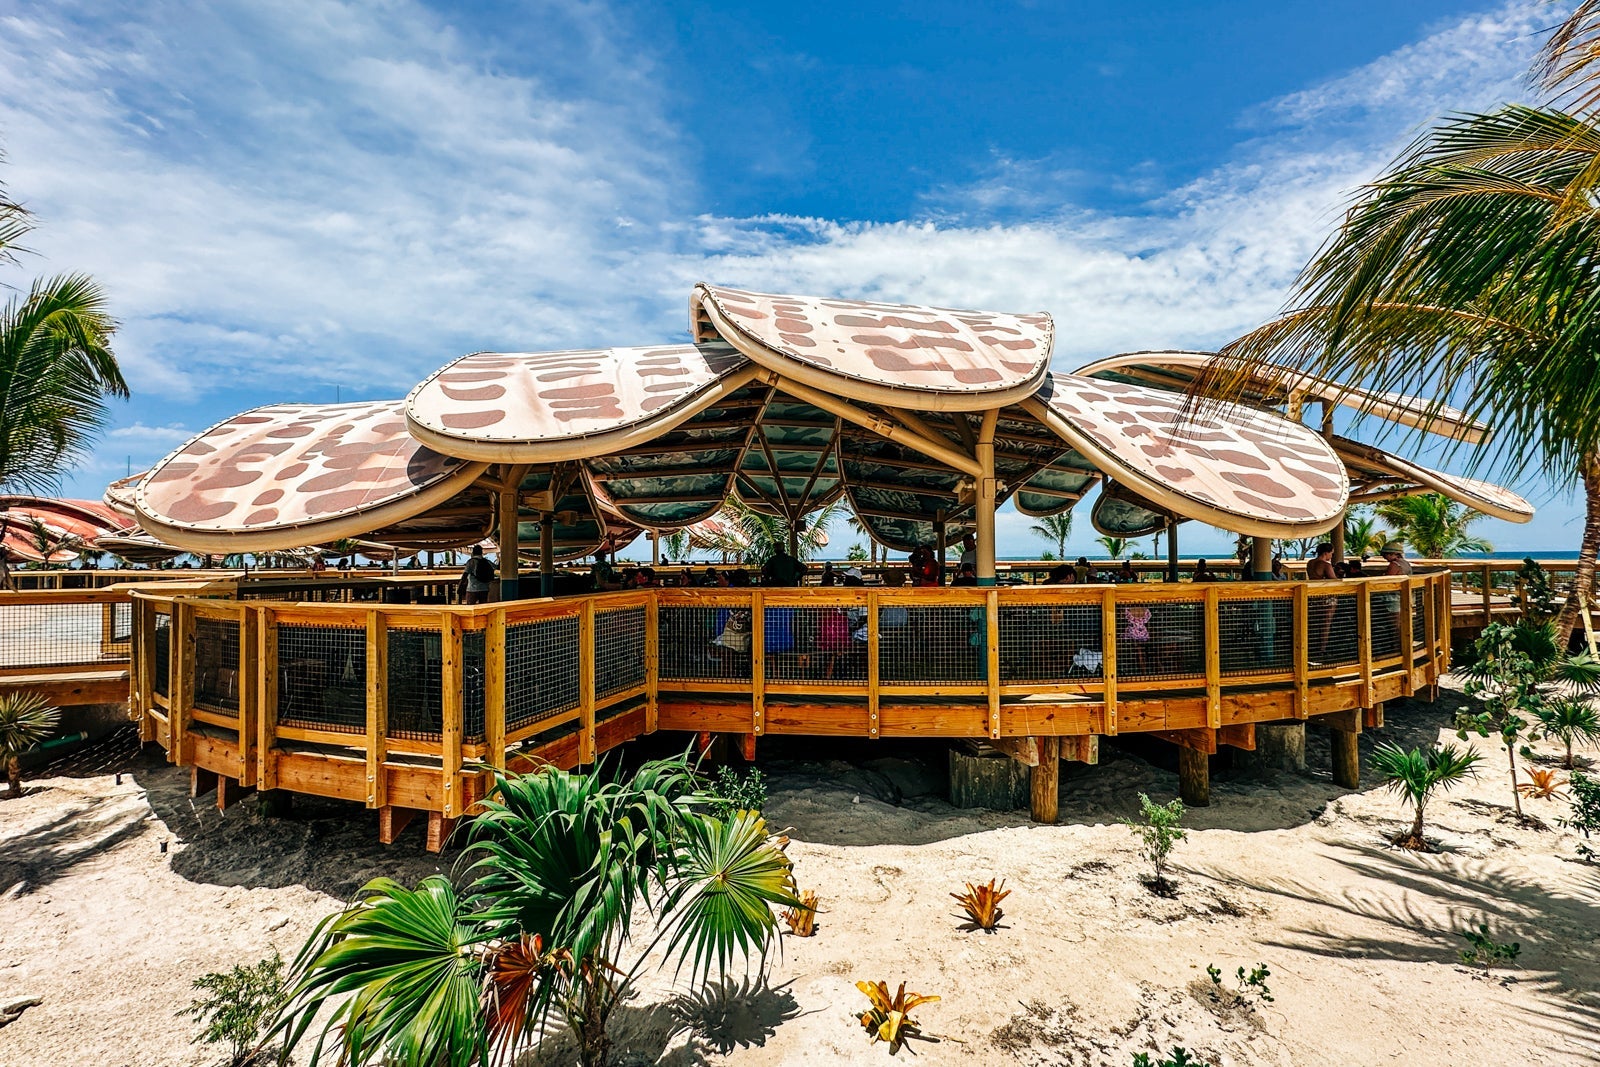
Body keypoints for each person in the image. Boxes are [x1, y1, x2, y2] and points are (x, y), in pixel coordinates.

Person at [1380, 541, 1412, 654]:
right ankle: (1401, 649)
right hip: (1404, 598)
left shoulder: (1394, 565)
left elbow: (1386, 581)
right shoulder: (1406, 564)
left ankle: (1396, 650)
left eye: (1387, 554)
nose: (1385, 557)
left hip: (1393, 600)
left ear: (1394, 554)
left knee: (1394, 627)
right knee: (1401, 625)